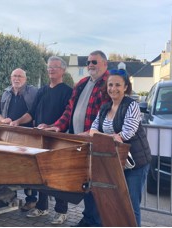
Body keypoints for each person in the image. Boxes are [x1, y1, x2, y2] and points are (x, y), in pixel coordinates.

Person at [42, 50, 110, 226]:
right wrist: (57, 126)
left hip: (97, 143)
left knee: (97, 185)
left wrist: (91, 133)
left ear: (105, 64)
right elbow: (69, 111)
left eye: (94, 62)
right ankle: (89, 218)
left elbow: (106, 116)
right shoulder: (81, 83)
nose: (90, 65)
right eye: (88, 62)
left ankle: (95, 221)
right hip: (80, 142)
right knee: (86, 182)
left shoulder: (109, 84)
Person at [10, 56, 73, 225]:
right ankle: (42, 207)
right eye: (49, 67)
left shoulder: (68, 91)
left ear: (63, 71)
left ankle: (61, 211)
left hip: (58, 140)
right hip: (39, 139)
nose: (51, 70)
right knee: (40, 175)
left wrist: (52, 126)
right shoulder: (42, 90)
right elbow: (30, 113)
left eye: (55, 67)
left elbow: (67, 116)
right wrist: (17, 121)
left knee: (57, 177)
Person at [89, 63, 151, 226]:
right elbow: (92, 131)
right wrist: (109, 136)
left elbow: (126, 134)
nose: (113, 88)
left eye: (117, 85)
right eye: (110, 84)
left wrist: (103, 137)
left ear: (125, 87)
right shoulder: (105, 107)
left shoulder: (132, 105)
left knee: (131, 205)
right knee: (114, 202)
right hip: (115, 162)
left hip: (135, 163)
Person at [0, 68, 38, 211]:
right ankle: (9, 196)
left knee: (28, 168)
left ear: (25, 79)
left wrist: (18, 121)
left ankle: (31, 199)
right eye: (14, 76)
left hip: (27, 136)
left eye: (20, 76)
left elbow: (34, 112)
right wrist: (2, 120)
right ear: (10, 78)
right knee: (9, 166)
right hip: (8, 135)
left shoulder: (32, 92)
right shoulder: (6, 92)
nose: (17, 79)